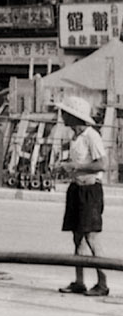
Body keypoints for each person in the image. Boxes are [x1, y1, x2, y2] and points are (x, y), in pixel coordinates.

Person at [54, 94, 108, 298]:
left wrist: (77, 166)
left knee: (91, 236)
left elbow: (102, 164)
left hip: (90, 190)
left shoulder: (91, 136)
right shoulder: (75, 138)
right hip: (77, 188)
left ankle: (102, 282)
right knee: (77, 236)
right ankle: (79, 280)